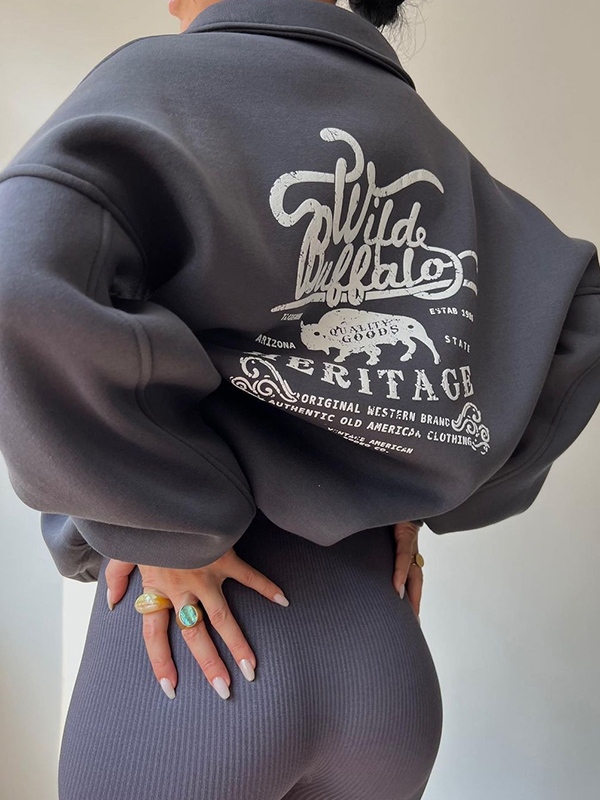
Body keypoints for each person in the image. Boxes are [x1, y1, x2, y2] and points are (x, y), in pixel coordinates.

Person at [0, 0, 598, 798]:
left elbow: (18, 279)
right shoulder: (421, 135)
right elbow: (578, 318)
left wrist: (164, 525)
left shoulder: (157, 84)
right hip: (385, 668)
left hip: (195, 666)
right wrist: (424, 478)